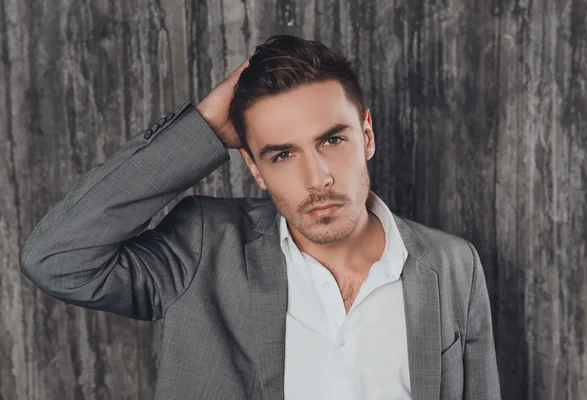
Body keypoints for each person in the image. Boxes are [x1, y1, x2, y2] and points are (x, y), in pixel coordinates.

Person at [19, 34, 500, 399]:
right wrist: (202, 127)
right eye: (282, 155)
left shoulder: (454, 265)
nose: (318, 179)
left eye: (333, 140)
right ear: (254, 168)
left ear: (367, 135)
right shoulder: (204, 247)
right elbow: (57, 258)